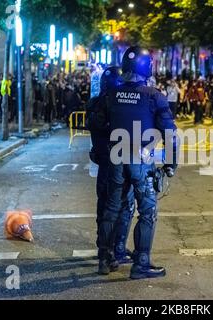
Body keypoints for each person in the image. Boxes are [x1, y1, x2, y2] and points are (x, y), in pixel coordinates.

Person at [98, 46, 178, 280]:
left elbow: (99, 125)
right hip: (141, 159)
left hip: (115, 157)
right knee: (147, 210)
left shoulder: (111, 94)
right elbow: (170, 134)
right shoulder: (153, 95)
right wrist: (171, 165)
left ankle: (105, 257)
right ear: (147, 67)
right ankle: (141, 262)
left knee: (112, 208)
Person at [86, 66, 135, 266]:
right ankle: (116, 249)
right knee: (123, 207)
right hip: (118, 163)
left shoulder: (94, 104)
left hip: (103, 164)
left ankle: (103, 250)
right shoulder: (117, 107)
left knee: (103, 207)